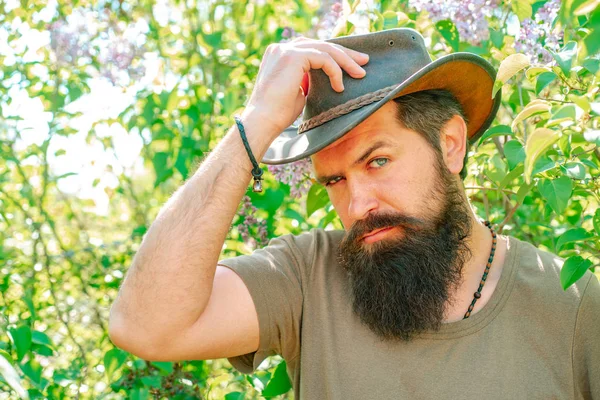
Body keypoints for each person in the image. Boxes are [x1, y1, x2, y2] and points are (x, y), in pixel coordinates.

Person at [108, 28, 600, 399]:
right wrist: (256, 122)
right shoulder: (307, 277)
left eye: (378, 161)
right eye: (335, 180)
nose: (358, 205)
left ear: (449, 144)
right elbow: (145, 326)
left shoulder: (575, 307)